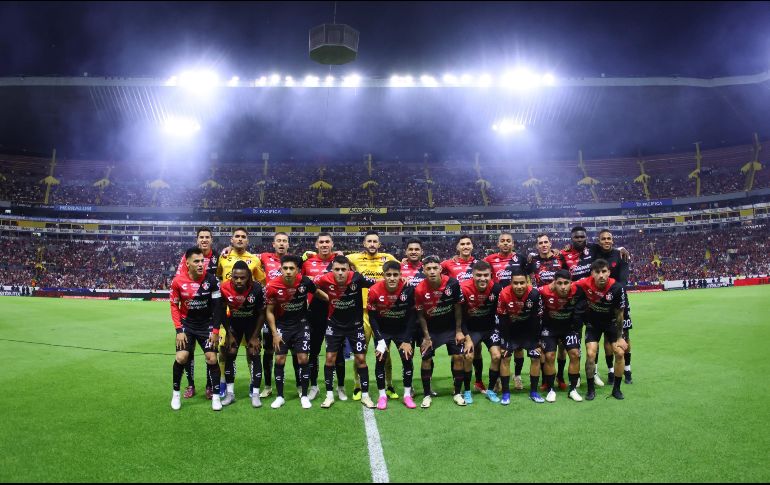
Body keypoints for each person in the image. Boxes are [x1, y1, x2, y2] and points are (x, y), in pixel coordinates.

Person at [264, 255, 328, 409]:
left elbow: (318, 292)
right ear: (280, 269)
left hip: (301, 326)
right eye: (285, 268)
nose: (288, 271)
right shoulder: (272, 286)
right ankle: (280, 397)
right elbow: (270, 312)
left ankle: (304, 396)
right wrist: (274, 333)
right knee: (279, 360)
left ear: (298, 270)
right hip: (282, 327)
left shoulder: (305, 281)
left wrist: (331, 300)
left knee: (303, 359)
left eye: (291, 268)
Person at [314, 256, 378, 409]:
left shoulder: (357, 278)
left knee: (361, 359)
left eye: (344, 269)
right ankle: (329, 396)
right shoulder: (324, 279)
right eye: (337, 269)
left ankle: (365, 395)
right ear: (332, 270)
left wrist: (402, 281)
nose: (341, 273)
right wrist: (325, 297)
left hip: (355, 325)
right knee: (330, 358)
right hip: (334, 325)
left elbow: (377, 284)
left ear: (349, 269)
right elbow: (309, 285)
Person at [346, 231, 400, 402]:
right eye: (369, 241)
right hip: (362, 312)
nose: (372, 244)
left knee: (386, 353)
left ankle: (389, 385)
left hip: (383, 312)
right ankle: (357, 386)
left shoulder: (388, 258)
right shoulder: (354, 258)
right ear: (364, 243)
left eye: (375, 241)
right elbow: (336, 260)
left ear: (379, 244)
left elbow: (401, 271)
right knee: (360, 352)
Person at [169, 247, 225, 411]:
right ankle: (176, 394)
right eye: (197, 261)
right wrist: (179, 331)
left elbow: (217, 307)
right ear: (188, 263)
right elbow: (174, 306)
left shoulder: (212, 281)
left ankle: (215, 397)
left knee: (212, 359)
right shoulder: (178, 281)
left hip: (206, 324)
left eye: (203, 261)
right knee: (181, 357)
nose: (201, 264)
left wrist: (215, 331)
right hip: (187, 324)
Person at [415, 256, 468, 408]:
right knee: (426, 359)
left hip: (450, 328)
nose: (432, 271)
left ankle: (457, 393)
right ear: (423, 271)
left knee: (458, 357)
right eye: (428, 269)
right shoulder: (419, 289)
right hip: (431, 331)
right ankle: (426, 394)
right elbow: (420, 315)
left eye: (434, 268)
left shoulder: (452, 283)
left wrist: (459, 331)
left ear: (440, 268)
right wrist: (426, 337)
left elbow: (458, 307)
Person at [175, 227, 219, 400]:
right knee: (188, 353)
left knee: (211, 353)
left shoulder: (218, 256)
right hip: (191, 312)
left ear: (212, 240)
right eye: (201, 237)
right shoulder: (187, 257)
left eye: (207, 237)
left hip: (210, 311)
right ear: (197, 240)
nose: (204, 240)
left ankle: (210, 386)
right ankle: (190, 384)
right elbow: (179, 280)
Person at [367, 261, 418, 409]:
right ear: (383, 275)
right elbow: (372, 317)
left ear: (401, 275)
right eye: (388, 275)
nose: (392, 278)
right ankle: (382, 396)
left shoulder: (408, 289)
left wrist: (408, 339)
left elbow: (412, 316)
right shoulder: (374, 290)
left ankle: (407, 395)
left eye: (395, 275)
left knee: (407, 359)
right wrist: (379, 339)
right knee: (380, 360)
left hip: (402, 331)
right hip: (383, 331)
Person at [302, 233, 346, 401]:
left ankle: (340, 386)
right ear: (316, 244)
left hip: (337, 310)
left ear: (332, 244)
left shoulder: (340, 261)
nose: (324, 244)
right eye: (321, 242)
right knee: (313, 351)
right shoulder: (307, 263)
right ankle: (314, 386)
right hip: (315, 310)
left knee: (338, 352)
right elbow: (299, 276)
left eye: (327, 241)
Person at [576, 259, 628, 400]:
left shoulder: (617, 288)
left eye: (604, 271)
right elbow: (568, 285)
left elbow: (619, 314)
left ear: (609, 273)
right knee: (591, 354)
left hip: (611, 324)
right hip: (593, 324)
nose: (601, 275)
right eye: (597, 272)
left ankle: (616, 389)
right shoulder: (584, 283)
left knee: (619, 353)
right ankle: (590, 389)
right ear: (592, 273)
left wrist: (619, 337)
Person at [441, 235, 485, 393]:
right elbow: (428, 268)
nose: (466, 246)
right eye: (463, 244)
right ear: (457, 247)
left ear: (472, 246)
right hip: (456, 312)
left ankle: (478, 381)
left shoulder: (478, 264)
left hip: (475, 312)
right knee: (458, 352)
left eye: (468, 244)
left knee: (477, 349)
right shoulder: (447, 264)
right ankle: (457, 382)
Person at [219, 261, 266, 408]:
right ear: (231, 276)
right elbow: (221, 311)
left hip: (252, 325)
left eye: (242, 278)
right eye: (235, 277)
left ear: (249, 277)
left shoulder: (257, 288)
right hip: (234, 325)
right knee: (230, 353)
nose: (239, 280)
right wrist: (228, 333)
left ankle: (256, 394)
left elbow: (262, 314)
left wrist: (254, 336)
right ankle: (230, 393)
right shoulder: (224, 287)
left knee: (254, 353)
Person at [529, 233, 570, 392]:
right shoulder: (532, 261)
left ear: (550, 243)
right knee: (544, 347)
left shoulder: (560, 258)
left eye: (546, 242)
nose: (544, 245)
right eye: (540, 243)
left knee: (562, 347)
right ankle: (546, 380)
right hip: (542, 307)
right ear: (537, 245)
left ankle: (560, 376)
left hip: (560, 305)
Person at [497, 268, 545, 404]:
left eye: (522, 283)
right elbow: (502, 320)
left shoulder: (535, 294)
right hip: (510, 331)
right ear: (510, 283)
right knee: (505, 357)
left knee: (536, 357)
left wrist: (536, 342)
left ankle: (534, 392)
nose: (519, 286)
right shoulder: (504, 294)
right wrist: (504, 343)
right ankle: (506, 393)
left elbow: (537, 319)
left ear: (527, 282)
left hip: (529, 332)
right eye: (515, 283)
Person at [459, 261, 503, 404]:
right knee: (468, 356)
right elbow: (460, 317)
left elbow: (501, 313)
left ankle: (490, 390)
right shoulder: (464, 288)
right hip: (471, 330)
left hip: (490, 329)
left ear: (491, 274)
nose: (482, 278)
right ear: (472, 275)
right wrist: (467, 337)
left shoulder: (496, 288)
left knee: (497, 356)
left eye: (486, 275)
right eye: (478, 275)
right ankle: (466, 391)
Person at [539, 269, 586, 403]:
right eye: (559, 283)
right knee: (549, 356)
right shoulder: (543, 291)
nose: (563, 287)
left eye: (566, 283)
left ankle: (572, 390)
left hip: (568, 328)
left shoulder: (577, 290)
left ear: (571, 283)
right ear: (554, 283)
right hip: (549, 329)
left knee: (575, 354)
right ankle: (550, 390)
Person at [594, 229, 633, 385]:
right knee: (606, 338)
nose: (606, 241)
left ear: (613, 240)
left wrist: (612, 292)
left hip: (619, 298)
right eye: (603, 238)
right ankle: (611, 371)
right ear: (599, 241)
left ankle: (628, 368)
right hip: (600, 301)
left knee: (625, 335)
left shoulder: (620, 255)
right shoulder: (594, 252)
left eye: (609, 238)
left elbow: (623, 282)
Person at [257, 232, 291, 400]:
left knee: (292, 351)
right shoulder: (264, 257)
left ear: (288, 244)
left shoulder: (294, 260)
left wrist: (338, 253)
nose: (282, 244)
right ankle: (268, 386)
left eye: (285, 241)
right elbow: (246, 256)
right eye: (279, 241)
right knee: (269, 351)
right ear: (273, 244)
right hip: (269, 311)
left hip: (289, 312)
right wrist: (228, 248)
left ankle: (299, 385)